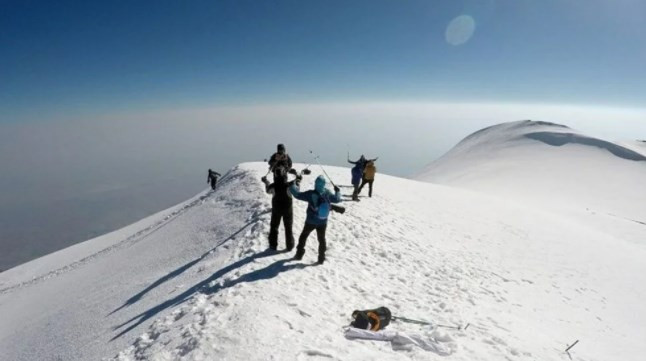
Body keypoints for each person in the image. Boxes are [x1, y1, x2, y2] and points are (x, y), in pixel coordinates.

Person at [290, 175, 342, 264]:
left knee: (303, 236)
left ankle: (299, 254)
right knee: (321, 239)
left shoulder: (311, 194)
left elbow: (297, 195)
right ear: (324, 184)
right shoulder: (328, 193)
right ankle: (321, 258)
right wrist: (337, 191)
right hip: (323, 221)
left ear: (316, 184)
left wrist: (292, 185)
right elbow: (337, 199)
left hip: (311, 221)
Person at [261, 166, 297, 251]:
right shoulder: (289, 185)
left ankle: (273, 245)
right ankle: (289, 245)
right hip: (288, 210)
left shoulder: (273, 186)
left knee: (274, 226)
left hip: (276, 209)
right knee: (288, 227)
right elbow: (296, 188)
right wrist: (297, 177)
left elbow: (268, 191)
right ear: (284, 174)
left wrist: (265, 181)